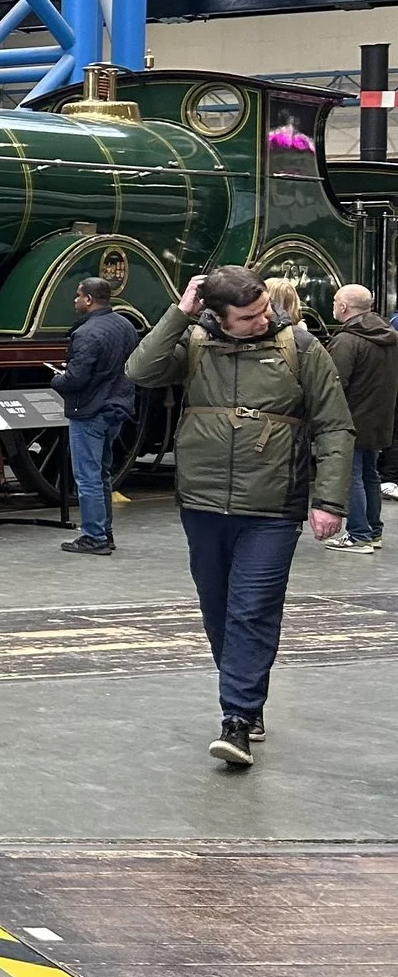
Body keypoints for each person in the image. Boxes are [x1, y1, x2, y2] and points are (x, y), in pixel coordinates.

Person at [126, 266, 353, 766]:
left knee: (252, 609)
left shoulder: (302, 347)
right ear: (218, 317)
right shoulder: (196, 343)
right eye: (249, 316)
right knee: (217, 608)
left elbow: (335, 427)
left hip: (272, 507)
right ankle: (245, 692)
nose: (263, 318)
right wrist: (177, 315)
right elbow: (139, 371)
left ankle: (237, 717)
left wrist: (329, 501)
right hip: (203, 503)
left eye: (263, 308)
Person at [50, 277, 139, 555]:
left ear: (88, 299)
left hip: (89, 409)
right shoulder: (125, 325)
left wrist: (57, 380)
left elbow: (76, 378)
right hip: (117, 406)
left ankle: (94, 536)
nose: (75, 301)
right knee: (102, 474)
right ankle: (104, 531)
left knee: (87, 476)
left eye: (78, 296)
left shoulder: (86, 333)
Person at [326, 283, 398, 553]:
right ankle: (373, 531)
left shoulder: (347, 340)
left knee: (351, 475)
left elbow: (334, 382)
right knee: (371, 475)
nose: (334, 305)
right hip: (379, 418)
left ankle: (358, 535)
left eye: (335, 301)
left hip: (351, 419)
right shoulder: (389, 335)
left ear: (344, 307)